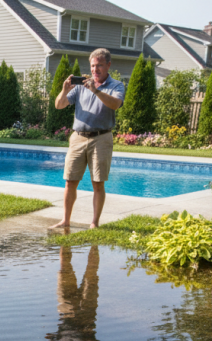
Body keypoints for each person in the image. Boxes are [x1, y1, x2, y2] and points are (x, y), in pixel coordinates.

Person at [51, 48, 125, 229]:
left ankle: (94, 223)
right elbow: (59, 105)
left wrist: (96, 91)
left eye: (99, 65)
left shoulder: (116, 86)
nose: (95, 69)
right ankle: (65, 220)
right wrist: (64, 90)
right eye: (93, 66)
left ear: (108, 65)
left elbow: (115, 105)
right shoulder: (80, 86)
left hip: (101, 138)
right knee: (70, 181)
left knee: (97, 183)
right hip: (78, 138)